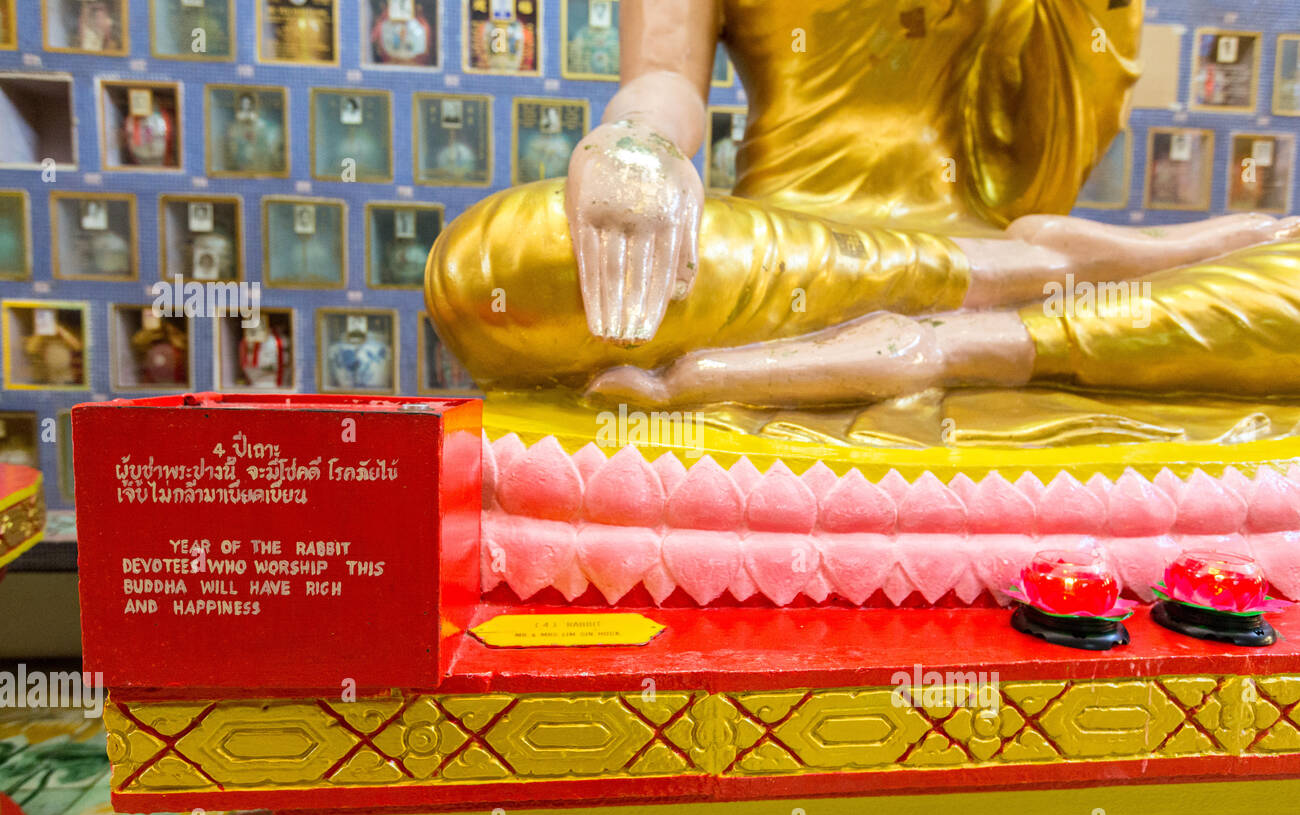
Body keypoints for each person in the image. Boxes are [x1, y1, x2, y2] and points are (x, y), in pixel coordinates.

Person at [425, 0, 1300, 442]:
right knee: (495, 269)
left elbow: (1057, 137)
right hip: (784, 252)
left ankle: (975, 331)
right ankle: (1082, 273)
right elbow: (665, 76)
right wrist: (636, 147)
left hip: (971, 232)